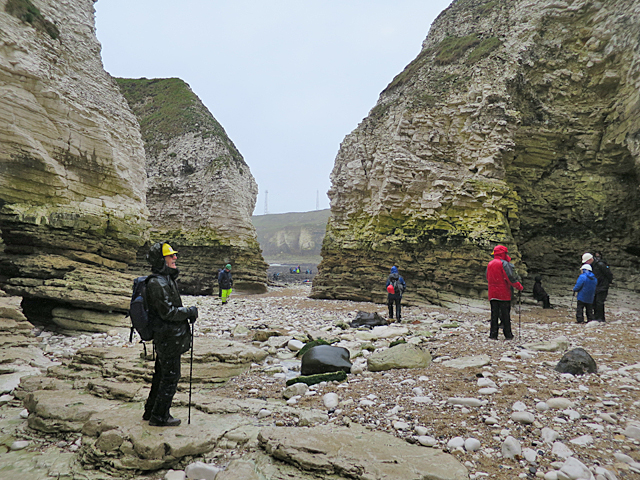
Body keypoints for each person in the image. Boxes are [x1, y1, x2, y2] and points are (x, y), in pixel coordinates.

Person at [143, 242, 198, 427]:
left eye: (174, 255)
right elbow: (168, 313)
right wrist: (189, 311)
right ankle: (159, 416)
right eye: (171, 255)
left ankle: (150, 411)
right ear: (161, 260)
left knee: (161, 375)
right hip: (168, 338)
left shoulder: (165, 280)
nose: (175, 258)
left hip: (168, 337)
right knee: (170, 377)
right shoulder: (157, 283)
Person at [486, 245, 523, 340]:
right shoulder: (505, 264)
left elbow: (487, 277)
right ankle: (508, 335)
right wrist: (519, 286)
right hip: (504, 294)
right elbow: (510, 278)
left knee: (494, 314)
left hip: (492, 293)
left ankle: (493, 335)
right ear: (503, 253)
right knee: (505, 314)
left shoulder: (490, 264)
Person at [591, 251, 613, 322]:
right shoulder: (593, 265)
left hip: (602, 286)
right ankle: (596, 317)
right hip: (596, 285)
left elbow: (609, 274)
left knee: (599, 302)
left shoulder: (601, 264)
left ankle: (601, 318)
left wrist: (608, 283)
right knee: (594, 302)